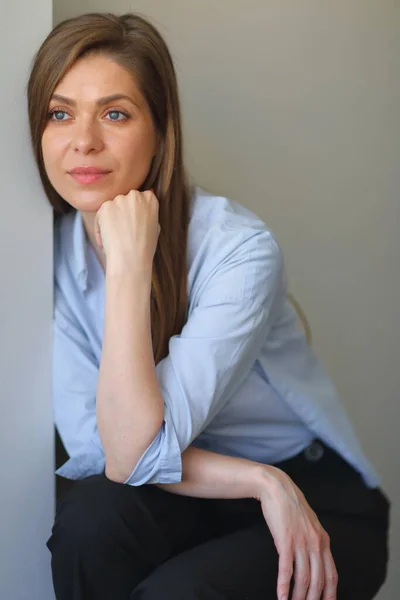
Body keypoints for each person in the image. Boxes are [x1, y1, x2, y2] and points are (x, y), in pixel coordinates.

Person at [27, 12, 390, 600]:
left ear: (162, 131)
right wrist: (258, 480)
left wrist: (128, 268)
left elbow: (132, 453)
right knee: (87, 521)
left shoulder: (237, 247)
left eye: (115, 113)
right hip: (212, 487)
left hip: (316, 498)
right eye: (59, 113)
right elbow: (109, 454)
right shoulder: (49, 259)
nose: (83, 140)